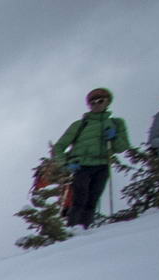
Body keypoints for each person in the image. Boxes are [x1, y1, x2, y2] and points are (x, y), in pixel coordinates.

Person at [56, 88, 131, 229]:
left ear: (108, 102)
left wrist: (114, 137)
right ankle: (73, 230)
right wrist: (65, 164)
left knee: (93, 200)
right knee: (80, 199)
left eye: (100, 101)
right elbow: (59, 147)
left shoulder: (116, 123)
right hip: (81, 165)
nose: (96, 104)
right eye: (92, 102)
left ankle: (84, 229)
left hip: (102, 164)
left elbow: (122, 147)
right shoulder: (79, 125)